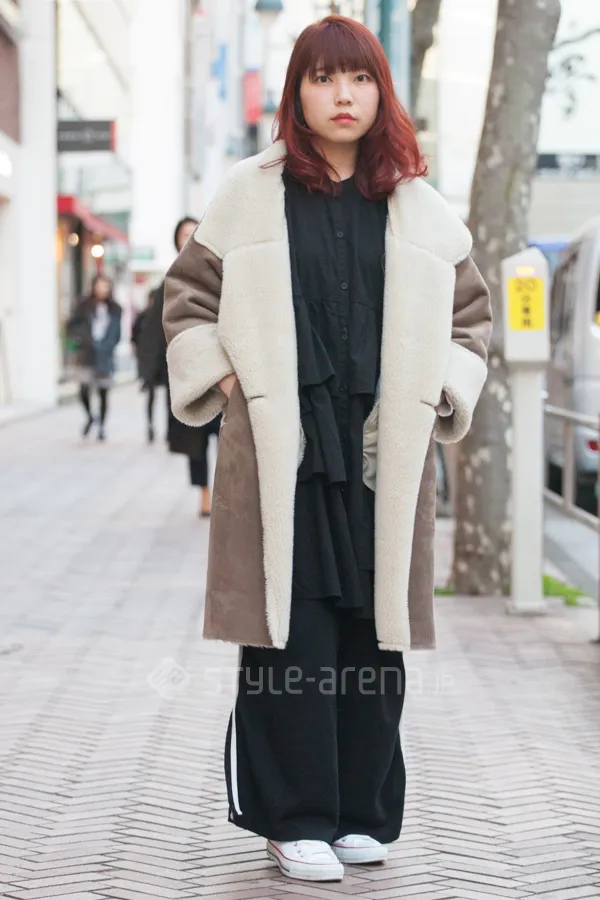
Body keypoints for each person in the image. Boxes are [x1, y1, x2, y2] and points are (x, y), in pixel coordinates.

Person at [163, 14, 492, 884]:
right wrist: (233, 386)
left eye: (359, 78)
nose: (342, 95)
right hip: (287, 454)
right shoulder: (250, 192)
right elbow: (188, 300)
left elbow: (471, 318)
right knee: (293, 635)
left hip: (384, 453)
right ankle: (295, 817)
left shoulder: (417, 204)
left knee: (373, 636)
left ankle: (357, 815)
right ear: (297, 93)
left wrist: (439, 391)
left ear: (381, 92)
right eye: (323, 78)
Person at [138, 217, 219, 515]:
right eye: (184, 233)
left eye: (194, 231)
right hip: (188, 374)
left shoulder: (221, 272)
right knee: (196, 440)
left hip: (219, 370)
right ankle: (204, 494)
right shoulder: (170, 280)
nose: (190, 237)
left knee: (228, 436)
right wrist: (151, 372)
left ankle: (224, 492)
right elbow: (154, 330)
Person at [67, 274, 122, 441]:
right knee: (83, 390)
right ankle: (91, 417)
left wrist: (108, 345)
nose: (102, 289)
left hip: (105, 355)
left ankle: (102, 426)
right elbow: (71, 325)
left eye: (105, 286)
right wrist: (82, 339)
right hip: (86, 354)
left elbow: (117, 332)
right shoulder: (83, 306)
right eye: (99, 285)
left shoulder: (115, 309)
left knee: (103, 392)